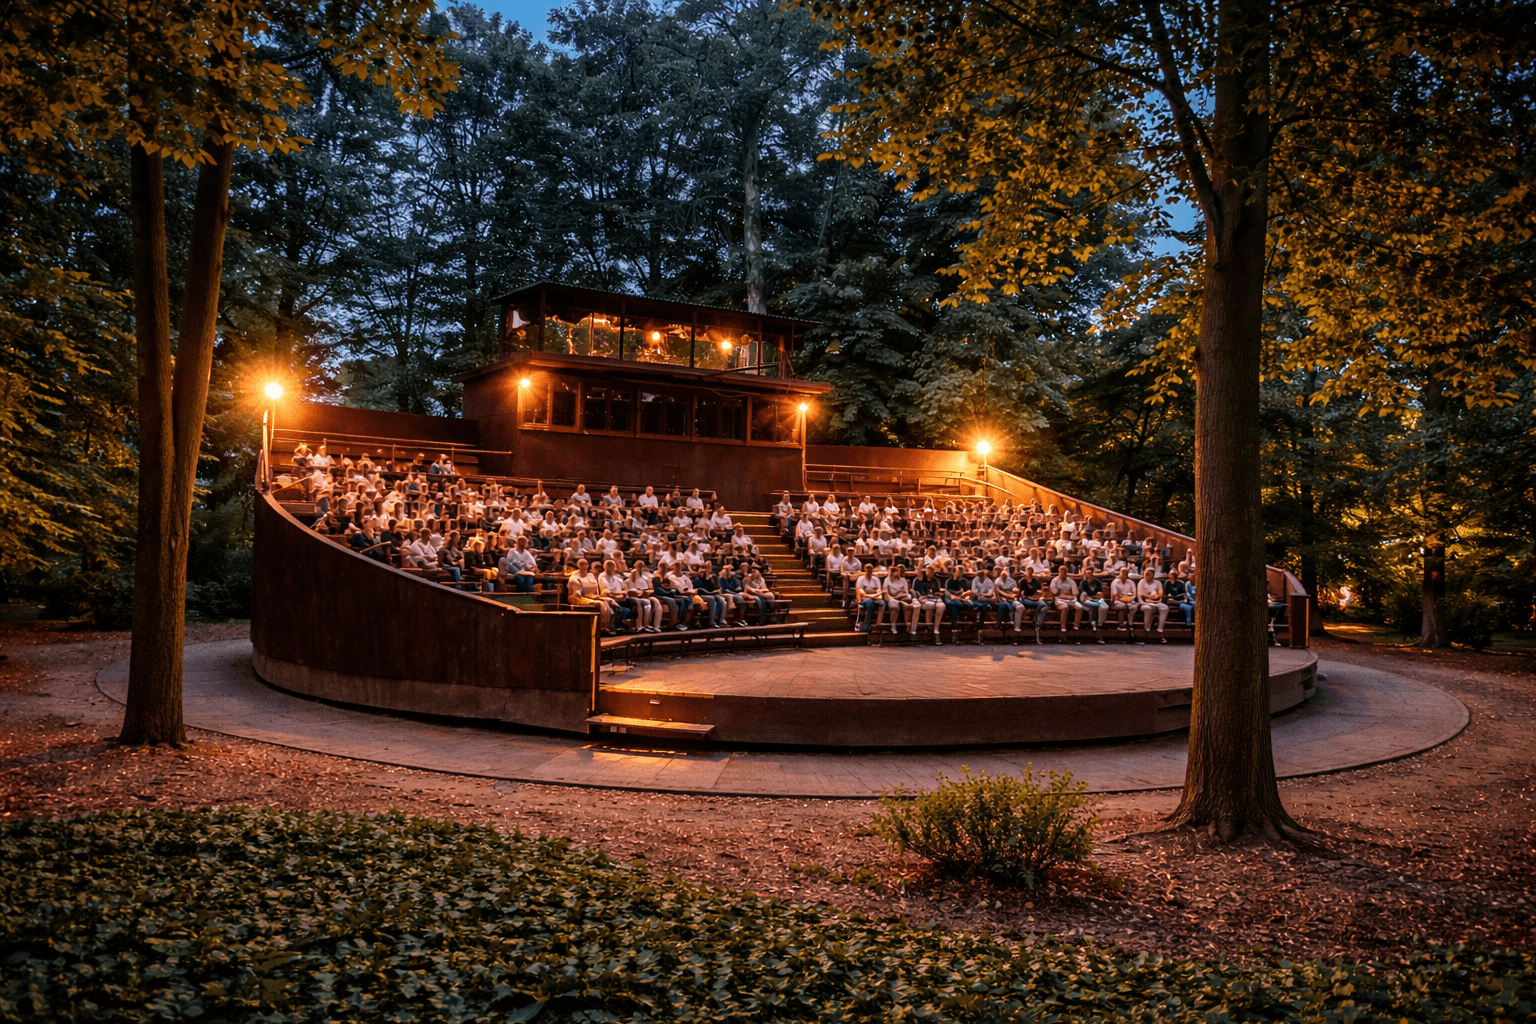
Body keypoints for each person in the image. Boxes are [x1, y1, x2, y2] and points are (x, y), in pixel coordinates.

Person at [1049, 564, 1083, 638]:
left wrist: (1069, 594)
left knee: (1080, 607)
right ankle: (1063, 626)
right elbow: (1055, 593)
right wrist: (1067, 594)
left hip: (1071, 599)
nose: (1063, 574)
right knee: (1065, 607)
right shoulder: (1054, 580)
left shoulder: (1070, 581)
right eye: (1061, 572)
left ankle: (1076, 626)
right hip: (1059, 599)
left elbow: (1075, 592)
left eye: (1064, 572)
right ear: (1059, 572)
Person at [911, 566, 945, 641]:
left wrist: (938, 594)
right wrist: (920, 597)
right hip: (924, 599)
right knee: (930, 607)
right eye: (928, 572)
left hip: (934, 598)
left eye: (931, 572)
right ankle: (928, 628)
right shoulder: (919, 580)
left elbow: (937, 591)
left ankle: (936, 630)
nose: (929, 573)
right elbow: (916, 592)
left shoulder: (935, 580)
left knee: (941, 606)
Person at [1137, 566, 1169, 642]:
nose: (1147, 576)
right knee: (1148, 609)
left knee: (1165, 607)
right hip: (1144, 603)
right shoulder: (1141, 582)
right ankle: (1147, 630)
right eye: (1146, 574)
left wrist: (1156, 596)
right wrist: (1149, 596)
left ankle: (1160, 630)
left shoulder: (1157, 582)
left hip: (1156, 602)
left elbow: (1161, 593)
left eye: (1149, 574)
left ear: (1153, 575)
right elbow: (1140, 594)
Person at [1076, 568, 1109, 641]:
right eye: (1087, 573)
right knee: (1094, 605)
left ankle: (1100, 624)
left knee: (1105, 607)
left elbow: (1101, 594)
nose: (1089, 575)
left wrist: (1094, 596)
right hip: (1086, 600)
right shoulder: (1083, 583)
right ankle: (1093, 623)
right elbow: (1083, 596)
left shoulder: (1097, 582)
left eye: (1090, 573)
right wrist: (1092, 596)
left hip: (1097, 599)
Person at [883, 564, 914, 634]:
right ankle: (893, 627)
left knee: (908, 602)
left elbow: (905, 592)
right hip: (892, 598)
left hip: (902, 598)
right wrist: (897, 594)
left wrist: (898, 594)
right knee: (894, 606)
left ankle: (908, 625)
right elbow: (886, 593)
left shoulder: (903, 580)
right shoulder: (887, 580)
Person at [854, 564, 884, 633]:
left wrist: (875, 596)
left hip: (875, 598)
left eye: (870, 568)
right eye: (867, 568)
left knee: (883, 603)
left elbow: (879, 591)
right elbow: (861, 592)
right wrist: (872, 596)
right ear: (864, 569)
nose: (869, 570)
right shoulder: (861, 579)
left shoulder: (876, 579)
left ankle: (878, 624)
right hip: (864, 599)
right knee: (870, 602)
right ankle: (867, 624)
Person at [1110, 566, 1140, 633]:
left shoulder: (1131, 582)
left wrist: (1128, 598)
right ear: (1119, 573)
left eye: (1126, 573)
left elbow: (1134, 595)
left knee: (1134, 607)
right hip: (1117, 601)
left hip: (1129, 600)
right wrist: (1124, 599)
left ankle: (1130, 623)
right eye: (1122, 572)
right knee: (1123, 606)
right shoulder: (1115, 582)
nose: (1124, 574)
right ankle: (1121, 625)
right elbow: (1116, 596)